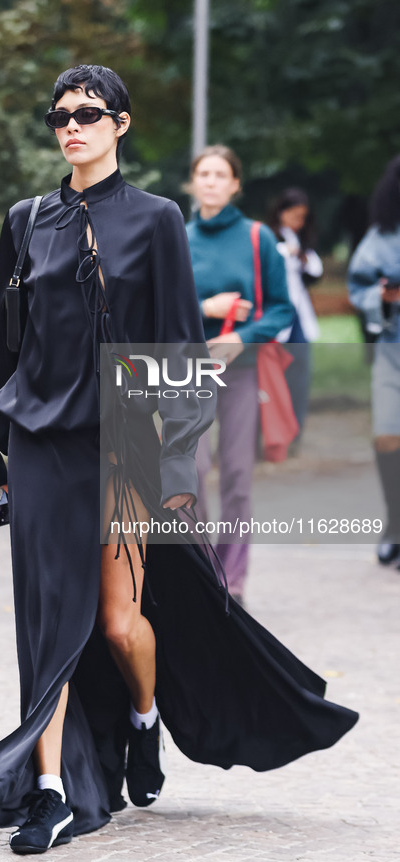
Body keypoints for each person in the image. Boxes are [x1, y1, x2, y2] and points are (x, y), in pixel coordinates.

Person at [0, 68, 358, 855]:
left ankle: (141, 719)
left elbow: (175, 344)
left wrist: (172, 466)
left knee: (119, 622)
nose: (72, 127)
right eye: (59, 116)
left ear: (120, 124)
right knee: (46, 625)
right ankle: (53, 793)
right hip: (39, 440)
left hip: (126, 435)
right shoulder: (26, 220)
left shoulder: (157, 220)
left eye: (88, 114)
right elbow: (4, 342)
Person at [185, 146, 295, 606]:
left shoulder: (257, 238)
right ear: (192, 183)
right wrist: (205, 309)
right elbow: (157, 310)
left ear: (235, 185)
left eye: (220, 174)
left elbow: (281, 308)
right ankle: (201, 574)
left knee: (235, 475)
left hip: (242, 371)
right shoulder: (177, 238)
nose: (210, 181)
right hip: (189, 370)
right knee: (191, 473)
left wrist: (243, 336)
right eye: (203, 174)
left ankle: (233, 581)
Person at [347, 154, 400, 569]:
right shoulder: (382, 237)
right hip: (392, 349)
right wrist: (380, 298)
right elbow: (358, 286)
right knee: (387, 435)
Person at [268, 188, 323, 437]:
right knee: (273, 379)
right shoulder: (269, 237)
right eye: (293, 215)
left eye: (302, 217)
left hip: (298, 317)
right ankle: (273, 433)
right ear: (281, 212)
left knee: (300, 377)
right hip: (275, 319)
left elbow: (315, 270)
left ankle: (294, 431)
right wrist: (284, 251)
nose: (297, 221)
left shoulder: (302, 241)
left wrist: (300, 256)